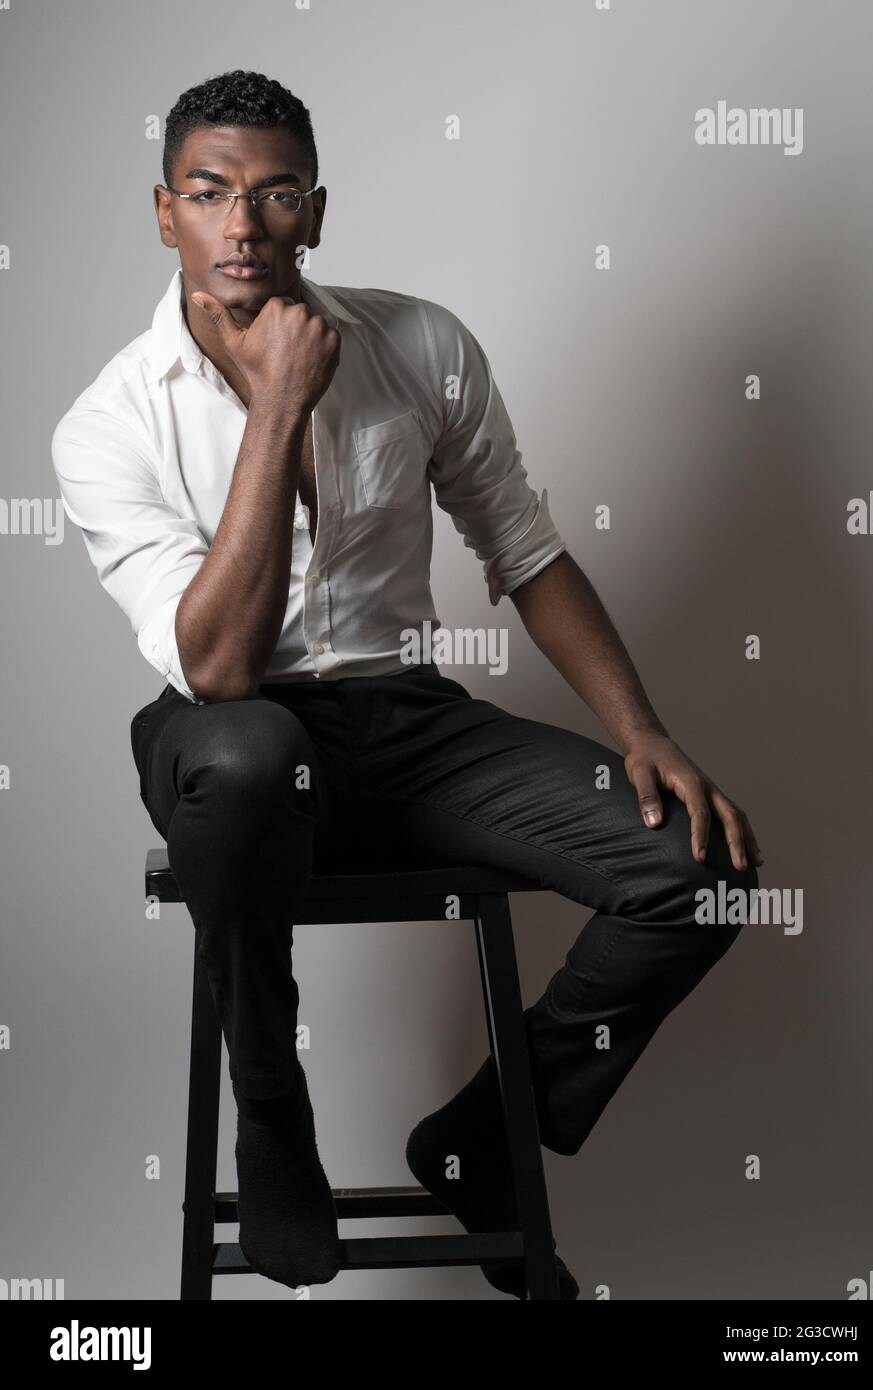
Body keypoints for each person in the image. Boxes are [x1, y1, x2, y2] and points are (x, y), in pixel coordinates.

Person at [52, 69, 763, 1300]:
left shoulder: (420, 345)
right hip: (228, 742)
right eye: (210, 193)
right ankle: (271, 1111)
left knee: (697, 870)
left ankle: (483, 1140)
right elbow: (216, 665)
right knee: (248, 748)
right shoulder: (107, 421)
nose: (243, 226)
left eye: (273, 195)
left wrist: (642, 730)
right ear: (163, 213)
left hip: (407, 726)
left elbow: (525, 551)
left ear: (314, 211)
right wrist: (279, 407)